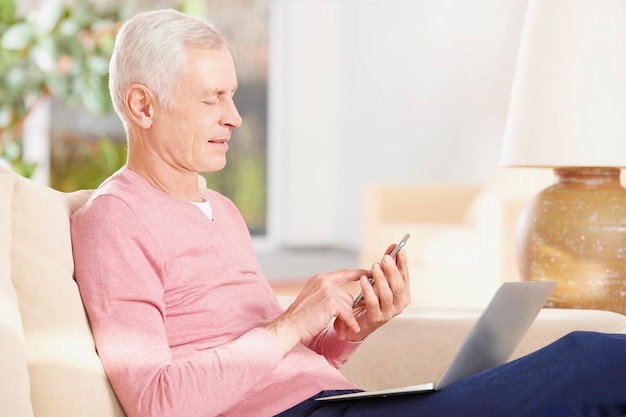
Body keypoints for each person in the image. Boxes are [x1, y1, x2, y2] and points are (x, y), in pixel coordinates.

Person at [70, 8, 626, 417]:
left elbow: (278, 362)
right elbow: (155, 402)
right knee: (592, 360)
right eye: (212, 98)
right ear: (143, 105)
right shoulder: (114, 219)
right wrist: (289, 323)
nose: (235, 117)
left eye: (233, 95)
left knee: (590, 375)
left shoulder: (220, 209)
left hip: (339, 404)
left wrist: (349, 331)